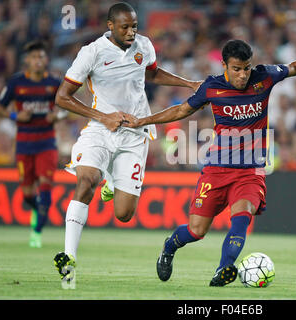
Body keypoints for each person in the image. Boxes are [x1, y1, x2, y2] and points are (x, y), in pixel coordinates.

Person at [122, 39, 296, 286]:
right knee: (196, 231)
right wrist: (142, 121)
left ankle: (224, 269)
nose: (243, 74)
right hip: (216, 170)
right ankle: (169, 246)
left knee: (242, 216)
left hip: (250, 172)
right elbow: (181, 111)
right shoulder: (211, 87)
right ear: (224, 65)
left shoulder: (264, 77)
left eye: (246, 68)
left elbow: (295, 67)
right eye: (237, 69)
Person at [52, 2, 201, 284]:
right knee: (85, 181)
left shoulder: (144, 45)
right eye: (125, 27)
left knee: (123, 214)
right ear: (111, 26)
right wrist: (102, 116)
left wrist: (188, 83)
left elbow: (152, 73)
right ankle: (69, 257)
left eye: (134, 26)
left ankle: (111, 183)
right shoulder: (92, 52)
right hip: (99, 128)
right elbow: (62, 97)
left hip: (135, 133)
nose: (131, 31)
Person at [0, 40, 64, 248]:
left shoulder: (54, 84)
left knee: (45, 186)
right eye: (34, 57)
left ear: (46, 60)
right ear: (27, 60)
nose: (38, 61)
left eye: (41, 57)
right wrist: (16, 115)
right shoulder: (16, 83)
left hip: (46, 143)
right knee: (27, 194)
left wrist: (58, 115)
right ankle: (39, 210)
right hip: (24, 144)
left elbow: (68, 108)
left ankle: (37, 231)